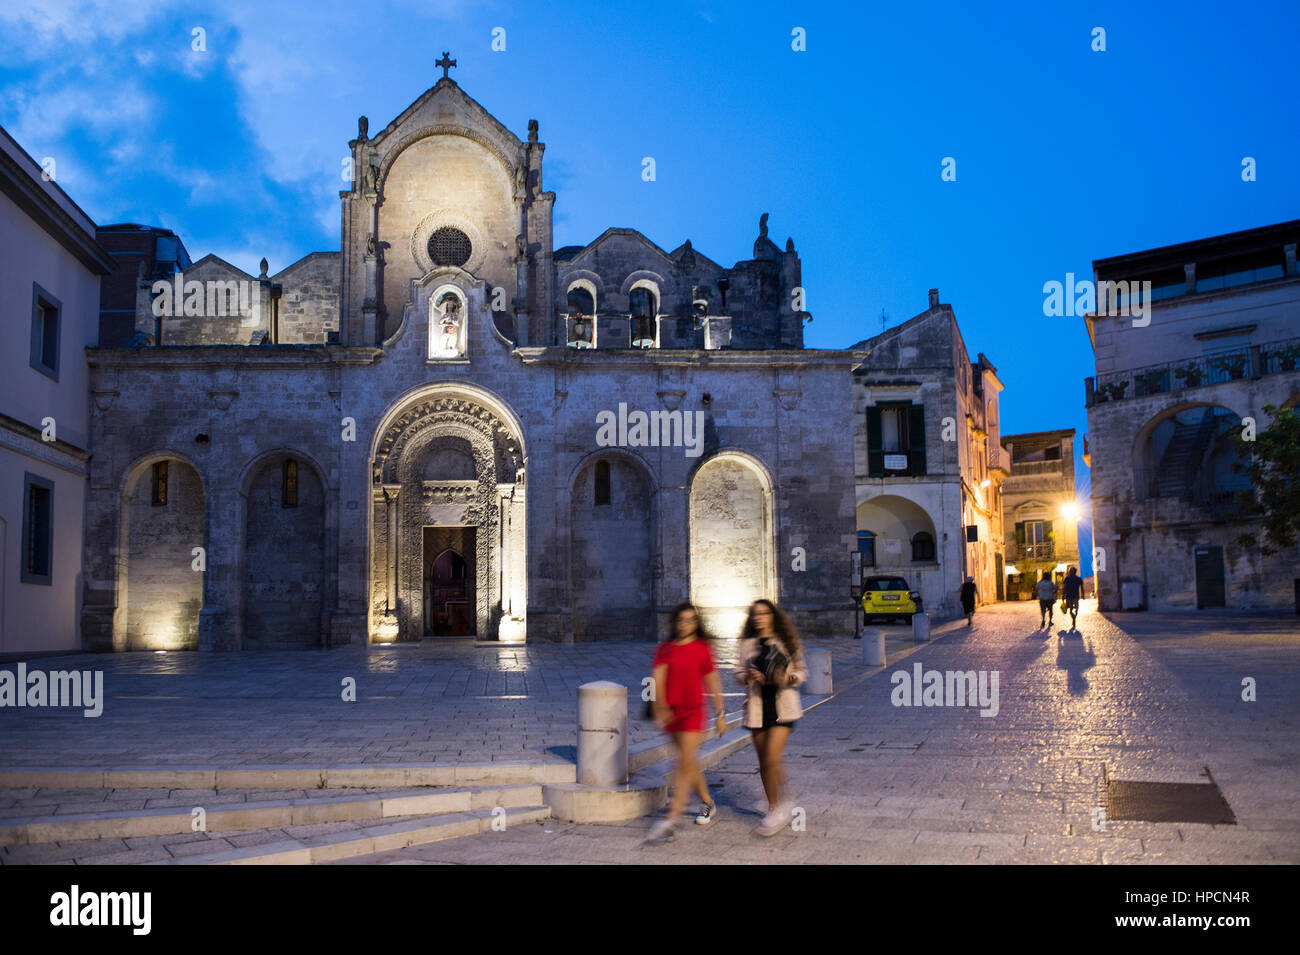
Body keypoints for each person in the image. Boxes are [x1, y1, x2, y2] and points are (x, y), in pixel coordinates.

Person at [645, 603, 726, 842]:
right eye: (681, 620)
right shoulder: (664, 649)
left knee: (682, 763)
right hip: (672, 713)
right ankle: (708, 802)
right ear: (675, 622)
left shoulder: (703, 648)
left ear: (696, 623)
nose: (685, 624)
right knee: (690, 763)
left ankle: (672, 817)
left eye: (691, 620)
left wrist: (720, 714)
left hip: (694, 712)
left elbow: (713, 682)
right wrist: (659, 709)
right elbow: (656, 679)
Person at [737, 599, 807, 837]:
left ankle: (777, 807)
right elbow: (737, 675)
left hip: (783, 707)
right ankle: (777, 804)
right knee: (765, 762)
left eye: (764, 613)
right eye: (755, 614)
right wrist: (747, 675)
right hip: (757, 708)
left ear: (772, 616)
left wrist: (786, 678)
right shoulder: (747, 645)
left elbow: (801, 673)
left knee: (771, 757)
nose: (759, 618)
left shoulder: (787, 642)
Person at [1062, 566, 1083, 630]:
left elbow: (1064, 588)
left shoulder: (1067, 578)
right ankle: (1074, 617)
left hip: (1069, 596)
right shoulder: (1078, 579)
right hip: (1076, 596)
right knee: (1076, 608)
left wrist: (1063, 595)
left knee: (1070, 610)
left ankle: (1073, 618)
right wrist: (1083, 594)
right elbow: (1081, 587)